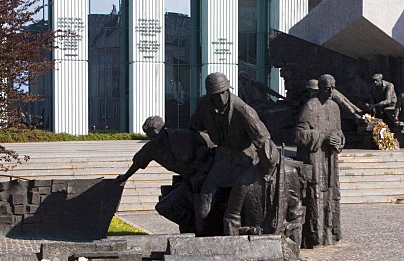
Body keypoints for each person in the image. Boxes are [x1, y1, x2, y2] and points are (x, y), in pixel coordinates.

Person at [189, 72, 278, 234]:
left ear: (228, 91)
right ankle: (201, 233)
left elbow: (263, 139)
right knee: (204, 204)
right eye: (214, 95)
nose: (219, 98)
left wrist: (269, 164)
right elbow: (194, 125)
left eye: (222, 93)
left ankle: (241, 231)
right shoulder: (204, 106)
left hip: (244, 160)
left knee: (240, 199)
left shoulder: (243, 110)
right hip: (221, 160)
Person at [115, 116, 212, 230]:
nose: (153, 139)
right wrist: (125, 177)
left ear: (163, 129)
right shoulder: (151, 148)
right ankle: (192, 225)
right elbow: (138, 163)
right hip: (188, 182)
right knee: (164, 206)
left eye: (155, 135)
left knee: (203, 213)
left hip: (207, 179)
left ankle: (203, 228)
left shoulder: (184, 136)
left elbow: (212, 145)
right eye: (149, 136)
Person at [294, 73, 344, 247]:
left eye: (333, 87)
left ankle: (330, 234)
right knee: (315, 195)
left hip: (330, 159)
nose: (330, 91)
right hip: (315, 159)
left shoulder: (335, 107)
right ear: (320, 88)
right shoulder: (310, 106)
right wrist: (322, 137)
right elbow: (299, 135)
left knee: (331, 195)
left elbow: (339, 132)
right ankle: (315, 237)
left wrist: (339, 139)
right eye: (327, 88)